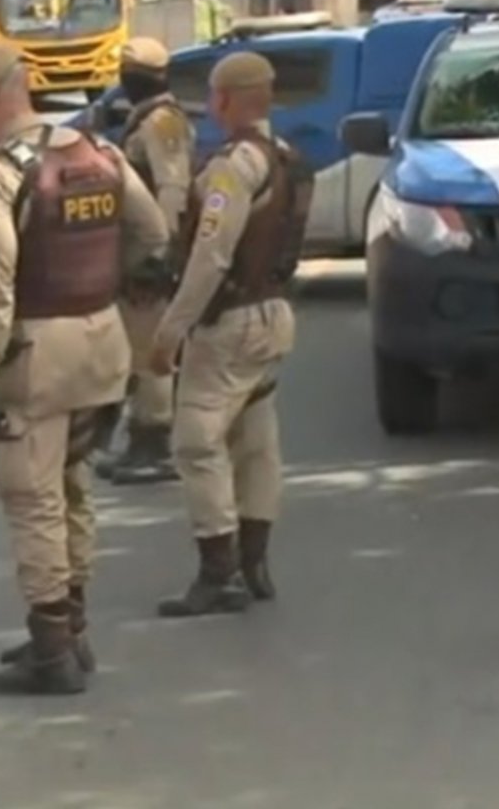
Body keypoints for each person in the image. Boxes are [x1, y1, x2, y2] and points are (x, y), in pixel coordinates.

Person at [0, 43, 170, 694]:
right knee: (72, 488)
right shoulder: (98, 153)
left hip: (37, 354)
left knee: (32, 497)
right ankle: (71, 632)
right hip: (102, 343)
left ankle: (51, 652)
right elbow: (152, 236)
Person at [148, 51, 313, 619]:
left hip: (232, 320)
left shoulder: (231, 168)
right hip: (274, 314)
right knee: (256, 438)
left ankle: (219, 572)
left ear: (224, 100)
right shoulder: (287, 158)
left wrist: (172, 329)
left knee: (197, 440)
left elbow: (211, 256)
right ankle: (255, 562)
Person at [93, 36, 196, 486]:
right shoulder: (144, 120)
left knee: (152, 353)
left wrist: (161, 254)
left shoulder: (162, 123)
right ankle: (139, 437)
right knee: (137, 351)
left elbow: (173, 186)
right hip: (135, 253)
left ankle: (154, 444)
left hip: (151, 255)